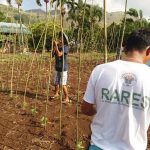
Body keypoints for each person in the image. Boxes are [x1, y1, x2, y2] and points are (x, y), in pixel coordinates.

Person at [82, 29, 150, 150]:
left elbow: (86, 109)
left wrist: (103, 110)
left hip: (99, 145)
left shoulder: (100, 70)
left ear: (126, 48)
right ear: (148, 50)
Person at [51, 32, 69, 103]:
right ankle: (56, 94)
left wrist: (56, 46)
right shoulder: (57, 46)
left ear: (64, 39)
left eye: (61, 37)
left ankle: (67, 98)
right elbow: (52, 55)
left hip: (63, 68)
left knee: (63, 84)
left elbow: (59, 54)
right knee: (56, 82)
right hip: (57, 67)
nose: (60, 38)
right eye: (59, 37)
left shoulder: (65, 47)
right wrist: (54, 47)